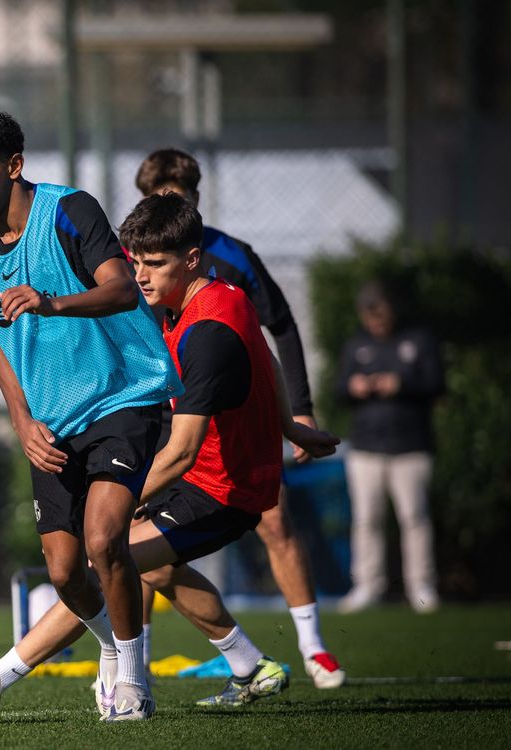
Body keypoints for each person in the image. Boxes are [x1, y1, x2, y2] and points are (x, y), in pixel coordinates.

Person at [0, 193, 340, 711]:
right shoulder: (222, 296)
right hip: (207, 476)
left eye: (156, 264)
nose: (141, 276)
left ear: (192, 260)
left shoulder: (204, 335)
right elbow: (264, 356)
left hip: (223, 491)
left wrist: (122, 500)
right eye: (134, 262)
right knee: (154, 567)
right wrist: (289, 425)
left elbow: (181, 451)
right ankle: (251, 666)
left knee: (105, 556)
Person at [0, 109, 185, 721]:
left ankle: (132, 678)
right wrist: (23, 423)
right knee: (66, 573)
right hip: (52, 418)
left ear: (14, 166)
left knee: (105, 539)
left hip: (124, 395)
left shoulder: (71, 210)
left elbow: (123, 288)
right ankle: (110, 644)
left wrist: (48, 303)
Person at [133, 148, 346, 688]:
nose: (147, 268)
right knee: (138, 547)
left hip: (230, 418)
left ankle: (313, 647)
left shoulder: (230, 260)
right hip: (162, 412)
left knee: (274, 521)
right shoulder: (131, 262)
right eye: (155, 204)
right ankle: (132, 666)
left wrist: (295, 414)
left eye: (176, 204)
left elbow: (277, 331)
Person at [337, 281, 444, 613]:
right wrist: (354, 386)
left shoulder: (418, 339)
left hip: (411, 447)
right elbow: (338, 388)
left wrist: (401, 384)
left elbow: (437, 384)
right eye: (370, 316)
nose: (376, 322)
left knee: (414, 518)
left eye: (381, 313)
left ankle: (421, 587)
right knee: (366, 519)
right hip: (367, 447)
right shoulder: (357, 345)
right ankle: (367, 586)